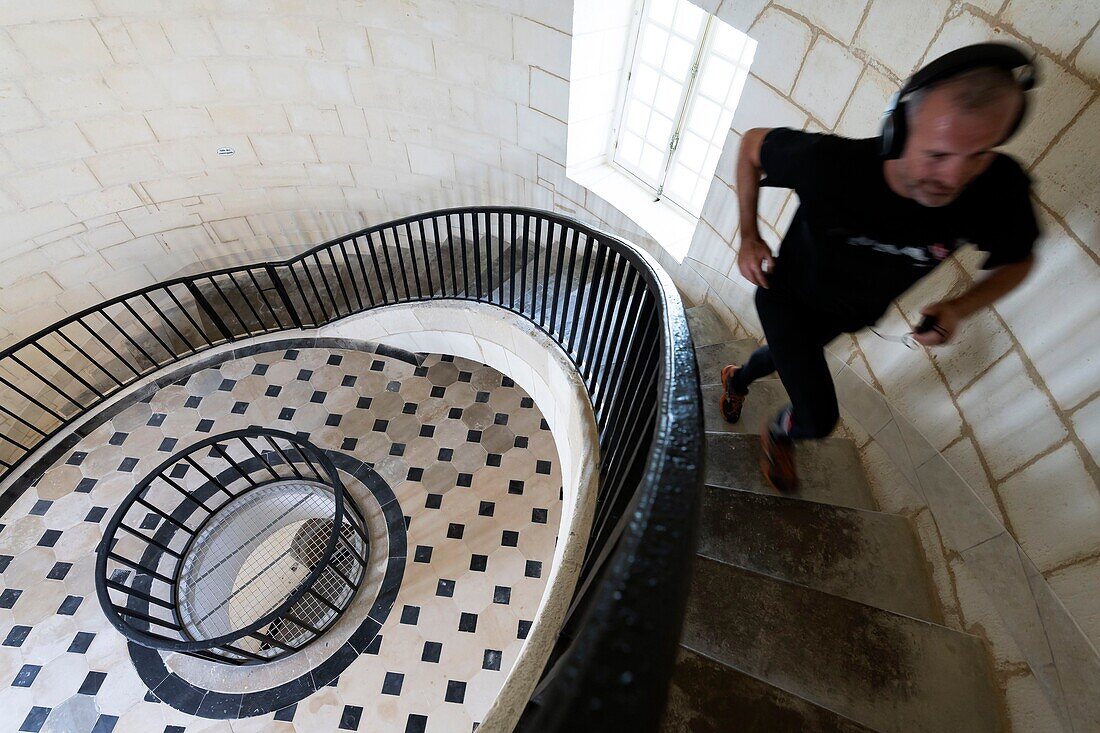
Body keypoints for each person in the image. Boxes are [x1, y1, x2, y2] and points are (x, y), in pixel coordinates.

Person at [720, 43, 1040, 493]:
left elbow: (1019, 259)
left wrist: (960, 307)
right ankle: (778, 432)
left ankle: (737, 378)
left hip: (848, 312)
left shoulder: (996, 190)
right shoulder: (829, 166)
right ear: (898, 130)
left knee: (781, 356)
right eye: (938, 154)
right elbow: (752, 144)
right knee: (817, 416)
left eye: (979, 154)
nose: (954, 178)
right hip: (786, 296)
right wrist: (749, 235)